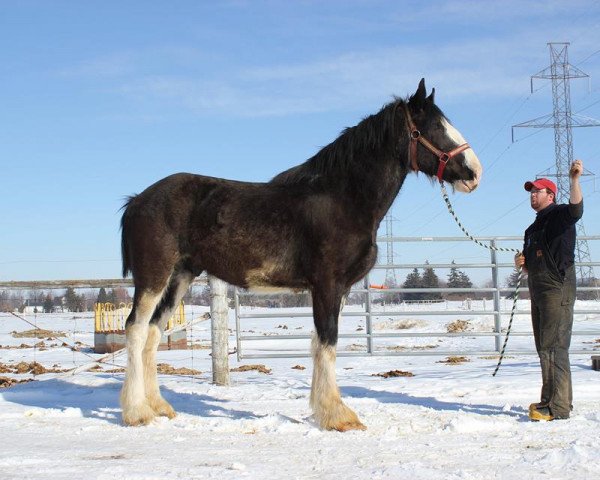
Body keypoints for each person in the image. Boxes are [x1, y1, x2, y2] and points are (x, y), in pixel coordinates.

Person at [514, 159, 584, 421]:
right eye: (531, 191)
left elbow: (577, 210)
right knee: (544, 346)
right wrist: (523, 263)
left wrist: (574, 180)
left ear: (550, 195)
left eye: (537, 191)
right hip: (539, 287)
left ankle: (559, 407)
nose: (532, 195)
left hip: (558, 287)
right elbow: (532, 266)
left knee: (556, 346)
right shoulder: (532, 228)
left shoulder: (560, 215)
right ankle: (549, 400)